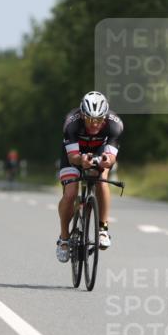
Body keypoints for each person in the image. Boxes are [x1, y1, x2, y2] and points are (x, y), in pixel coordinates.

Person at [56, 91, 123, 263]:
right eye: (89, 120)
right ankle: (64, 239)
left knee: (102, 181)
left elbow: (111, 157)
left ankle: (102, 229)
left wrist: (107, 161)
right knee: (70, 194)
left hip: (100, 151)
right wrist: (81, 161)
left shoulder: (115, 125)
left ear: (105, 118)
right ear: (82, 115)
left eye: (99, 120)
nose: (94, 124)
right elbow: (72, 157)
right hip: (74, 155)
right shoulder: (72, 123)